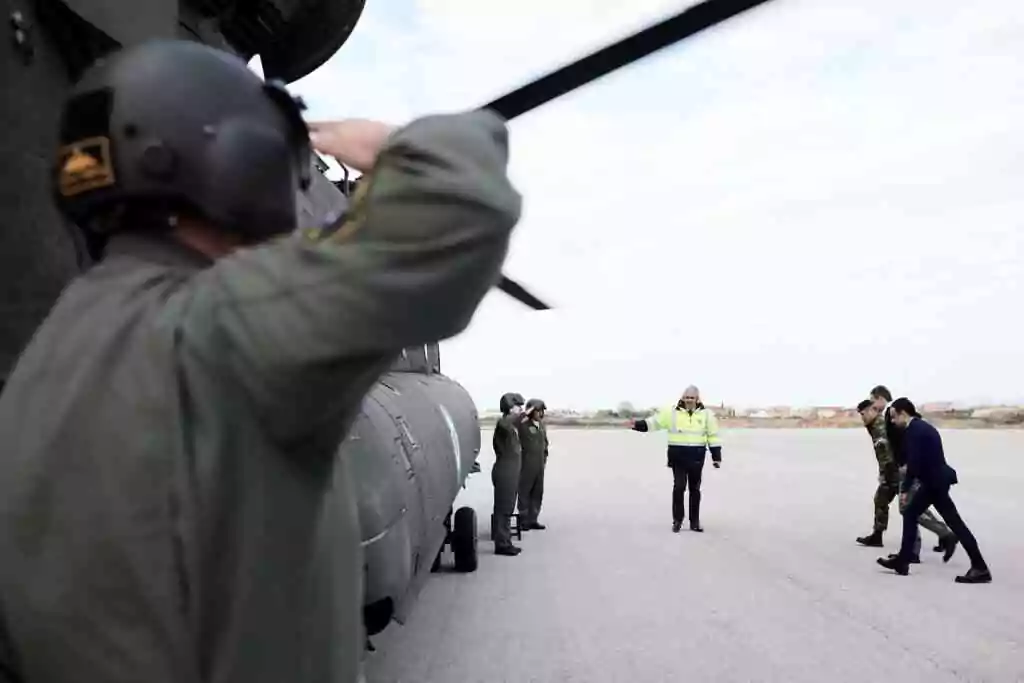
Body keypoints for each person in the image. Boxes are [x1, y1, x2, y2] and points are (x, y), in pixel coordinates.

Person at [0, 40, 522, 683]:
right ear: (242, 163)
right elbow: (461, 212)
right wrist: (394, 150)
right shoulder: (224, 328)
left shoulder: (52, 352)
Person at [876, 399, 992, 583]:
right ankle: (904, 560)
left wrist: (905, 489)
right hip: (936, 481)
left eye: (893, 416)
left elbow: (914, 463)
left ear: (903, 413)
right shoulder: (922, 427)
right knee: (926, 517)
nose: (892, 421)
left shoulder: (914, 431)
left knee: (919, 516)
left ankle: (979, 567)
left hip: (934, 483)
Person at [868, 385, 958, 560]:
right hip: (903, 467)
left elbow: (897, 442)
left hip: (907, 467)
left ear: (880, 398)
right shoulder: (891, 415)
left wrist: (902, 468)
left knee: (910, 508)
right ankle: (912, 549)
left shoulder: (894, 414)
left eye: (872, 401)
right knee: (906, 507)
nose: (872, 405)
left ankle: (941, 536)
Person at [632, 385, 722, 533]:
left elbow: (713, 436)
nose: (689, 400)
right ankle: (677, 521)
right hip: (678, 457)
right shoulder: (672, 413)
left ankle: (694, 522)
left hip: (697, 457)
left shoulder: (707, 415)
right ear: (682, 397)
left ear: (697, 399)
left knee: (695, 489)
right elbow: (654, 423)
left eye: (692, 398)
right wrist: (636, 425)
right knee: (679, 487)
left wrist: (716, 457)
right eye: (687, 397)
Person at [493, 392, 529, 555]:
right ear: (509, 407)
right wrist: (520, 414)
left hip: (512, 471)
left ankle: (505, 540)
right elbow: (508, 422)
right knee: (503, 509)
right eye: (517, 406)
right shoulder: (503, 423)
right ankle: (502, 544)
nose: (520, 409)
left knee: (508, 507)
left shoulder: (511, 426)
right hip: (505, 471)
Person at [517, 398, 549, 531]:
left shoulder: (541, 425)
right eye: (537, 410)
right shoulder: (523, 425)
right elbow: (517, 420)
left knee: (537, 492)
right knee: (524, 492)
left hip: (539, 465)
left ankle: (533, 519)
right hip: (526, 465)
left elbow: (545, 443)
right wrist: (527, 411)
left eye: (541, 411)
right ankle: (523, 520)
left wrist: (544, 459)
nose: (540, 413)